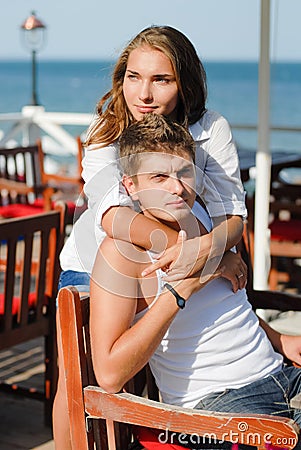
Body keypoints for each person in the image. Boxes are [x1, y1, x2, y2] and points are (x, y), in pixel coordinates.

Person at [53, 25, 248, 447]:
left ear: (185, 83)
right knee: (78, 379)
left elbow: (233, 214)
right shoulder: (107, 129)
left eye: (161, 79)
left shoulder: (210, 130)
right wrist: (200, 254)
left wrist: (208, 249)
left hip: (179, 266)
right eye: (133, 77)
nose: (143, 93)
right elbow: (114, 217)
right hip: (96, 265)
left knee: (159, 368)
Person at [90, 114, 301, 450]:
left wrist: (277, 338)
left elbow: (225, 309)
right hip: (216, 407)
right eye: (159, 176)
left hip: (280, 374)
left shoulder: (203, 220)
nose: (176, 188)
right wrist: (180, 289)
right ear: (131, 186)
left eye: (184, 173)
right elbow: (110, 374)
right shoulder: (120, 254)